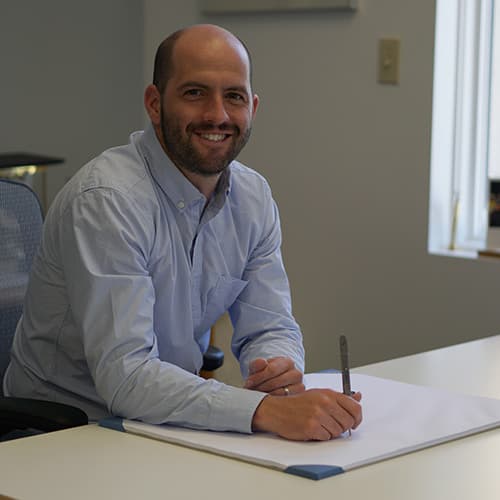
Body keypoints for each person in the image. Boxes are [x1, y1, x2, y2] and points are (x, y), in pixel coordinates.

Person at [4, 24, 362, 441]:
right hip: (64, 432)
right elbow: (128, 377)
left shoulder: (253, 197)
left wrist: (275, 369)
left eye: (234, 96)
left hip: (165, 424)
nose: (218, 115)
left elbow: (271, 326)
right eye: (195, 93)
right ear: (154, 104)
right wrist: (264, 411)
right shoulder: (108, 200)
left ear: (254, 107)